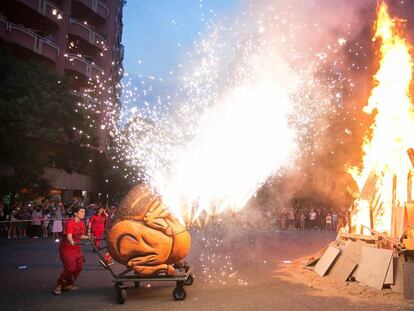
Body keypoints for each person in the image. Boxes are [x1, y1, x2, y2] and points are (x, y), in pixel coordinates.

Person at [54, 206, 89, 295]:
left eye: (84, 212)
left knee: (79, 267)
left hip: (76, 249)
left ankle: (68, 283)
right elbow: (69, 236)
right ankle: (59, 284)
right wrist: (71, 241)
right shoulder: (70, 223)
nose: (83, 213)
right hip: (67, 249)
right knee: (70, 268)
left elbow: (79, 236)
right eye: (81, 212)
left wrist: (89, 237)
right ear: (75, 213)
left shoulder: (82, 224)